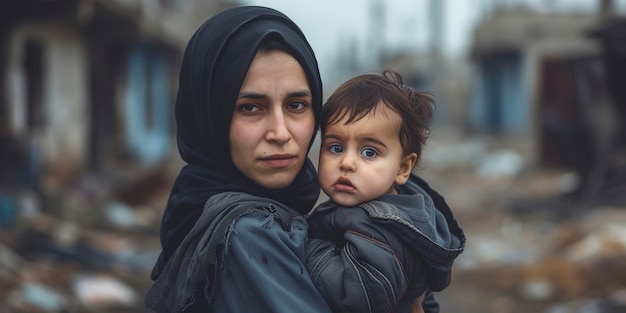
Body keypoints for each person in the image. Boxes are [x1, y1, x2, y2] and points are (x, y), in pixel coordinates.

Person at [145, 6, 333, 312]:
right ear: (209, 115)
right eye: (250, 107)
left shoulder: (195, 201)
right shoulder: (248, 233)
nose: (280, 132)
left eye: (296, 104)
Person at [305, 70, 466, 313]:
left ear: (402, 168)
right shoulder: (402, 216)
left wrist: (302, 244)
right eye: (336, 147)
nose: (346, 163)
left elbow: (355, 298)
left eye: (369, 152)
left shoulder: (382, 231)